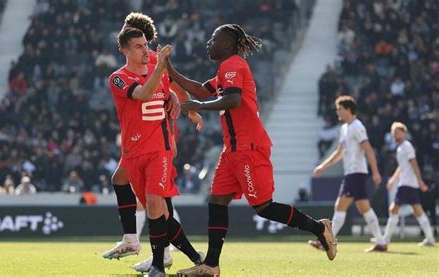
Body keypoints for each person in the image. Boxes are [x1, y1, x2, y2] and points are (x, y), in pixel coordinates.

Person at [167, 24, 337, 276]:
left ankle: (319, 228)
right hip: (232, 149)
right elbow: (202, 89)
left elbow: (233, 99)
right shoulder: (226, 69)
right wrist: (170, 70)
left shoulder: (233, 65)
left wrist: (199, 106)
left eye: (214, 39)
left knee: (264, 207)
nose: (208, 43)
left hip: (248, 147)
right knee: (217, 201)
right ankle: (211, 265)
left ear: (226, 44)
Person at [102, 12, 204, 274]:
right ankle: (185, 255)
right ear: (127, 49)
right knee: (155, 205)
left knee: (157, 202)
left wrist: (184, 111)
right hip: (138, 147)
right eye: (138, 46)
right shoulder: (123, 75)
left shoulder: (154, 64)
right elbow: (165, 89)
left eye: (144, 44)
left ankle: (149, 250)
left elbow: (165, 87)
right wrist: (178, 100)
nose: (144, 50)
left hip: (159, 143)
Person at [311, 95, 387, 252]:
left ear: (347, 109)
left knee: (340, 205)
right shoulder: (345, 128)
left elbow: (368, 149)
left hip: (356, 173)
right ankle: (380, 242)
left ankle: (326, 241)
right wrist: (323, 166)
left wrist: (375, 172)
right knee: (364, 208)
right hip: (354, 174)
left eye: (339, 108)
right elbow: (339, 153)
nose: (337, 111)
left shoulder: (357, 126)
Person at [381, 122, 435, 247]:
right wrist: (393, 180)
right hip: (408, 184)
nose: (395, 135)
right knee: (418, 211)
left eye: (397, 132)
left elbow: (414, 164)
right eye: (393, 132)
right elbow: (402, 167)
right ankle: (430, 238)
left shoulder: (407, 146)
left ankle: (385, 239)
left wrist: (420, 181)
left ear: (404, 133)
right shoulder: (400, 148)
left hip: (407, 183)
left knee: (393, 209)